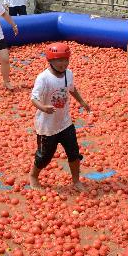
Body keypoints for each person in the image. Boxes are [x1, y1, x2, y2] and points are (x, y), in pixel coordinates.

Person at [29, 43, 91, 191]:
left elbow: (71, 88)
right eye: (59, 60)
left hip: (65, 123)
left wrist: (81, 101)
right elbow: (34, 98)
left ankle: (76, 181)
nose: (63, 64)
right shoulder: (43, 78)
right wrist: (43, 107)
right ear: (50, 60)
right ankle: (33, 175)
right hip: (47, 127)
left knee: (74, 153)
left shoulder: (68, 74)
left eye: (65, 60)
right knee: (45, 156)